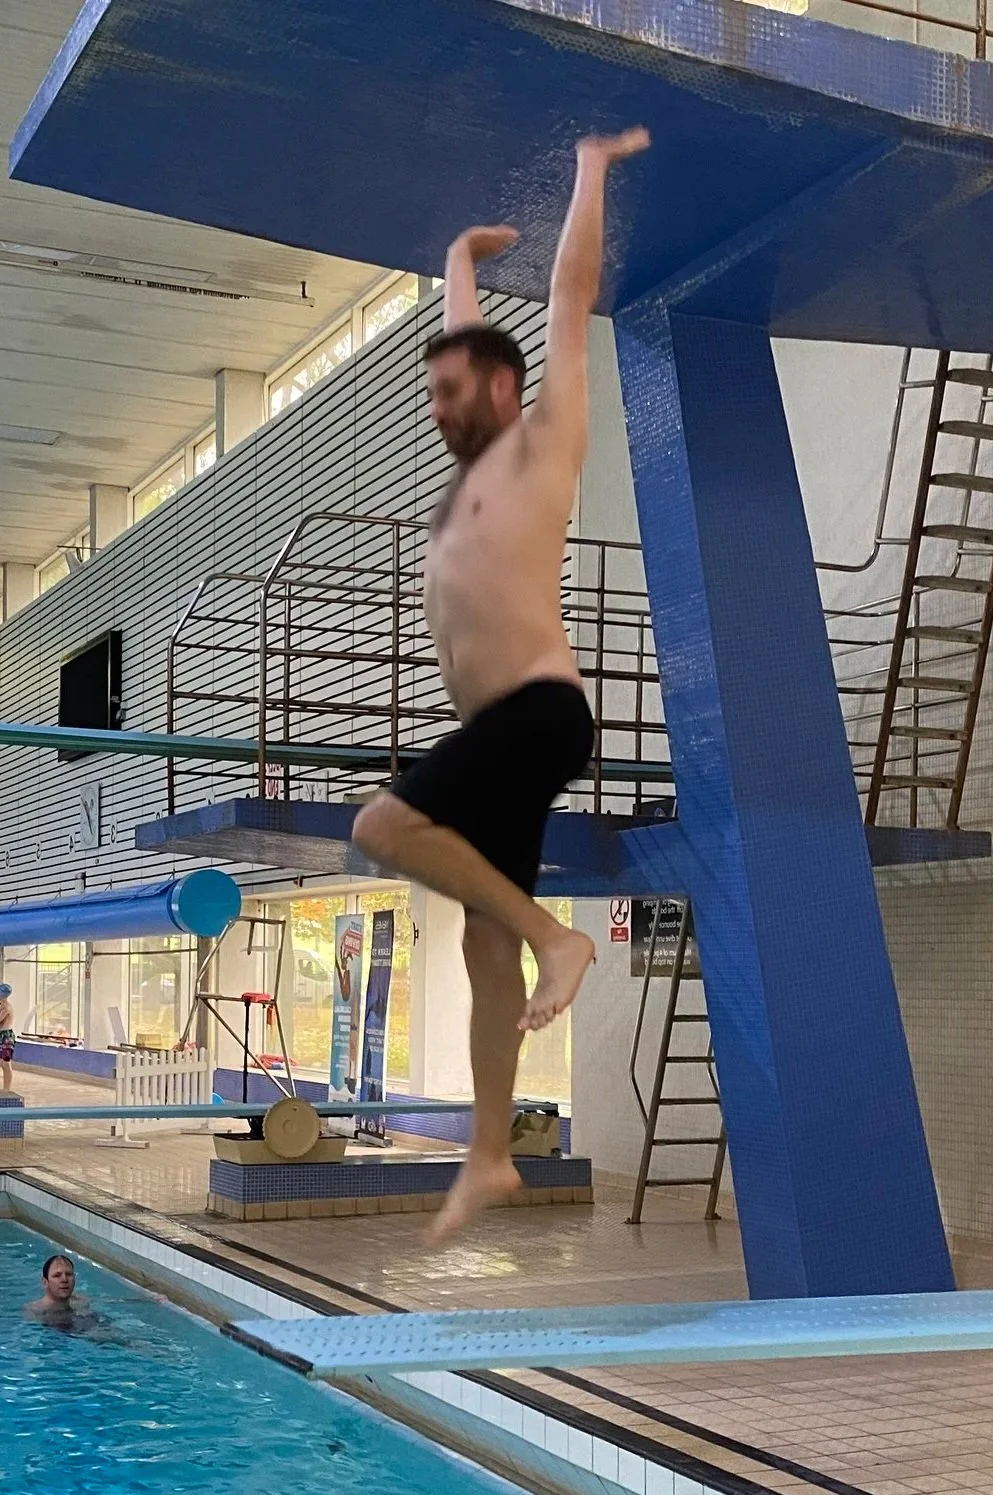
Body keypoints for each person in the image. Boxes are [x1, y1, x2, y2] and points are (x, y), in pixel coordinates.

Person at [349, 126, 649, 1246]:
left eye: (451, 388)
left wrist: (585, 169)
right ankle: (487, 1154)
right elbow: (460, 339)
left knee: (384, 824)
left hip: (539, 712)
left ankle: (557, 940)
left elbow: (568, 299)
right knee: (480, 950)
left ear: (503, 389)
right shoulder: (470, 476)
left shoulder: (542, 444)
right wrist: (456, 269)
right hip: (497, 734)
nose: (436, 405)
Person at [23, 1251, 97, 1328]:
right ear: (45, 1282)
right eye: (57, 1275)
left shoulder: (82, 1302)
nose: (64, 1279)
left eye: (68, 1274)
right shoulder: (35, 1312)